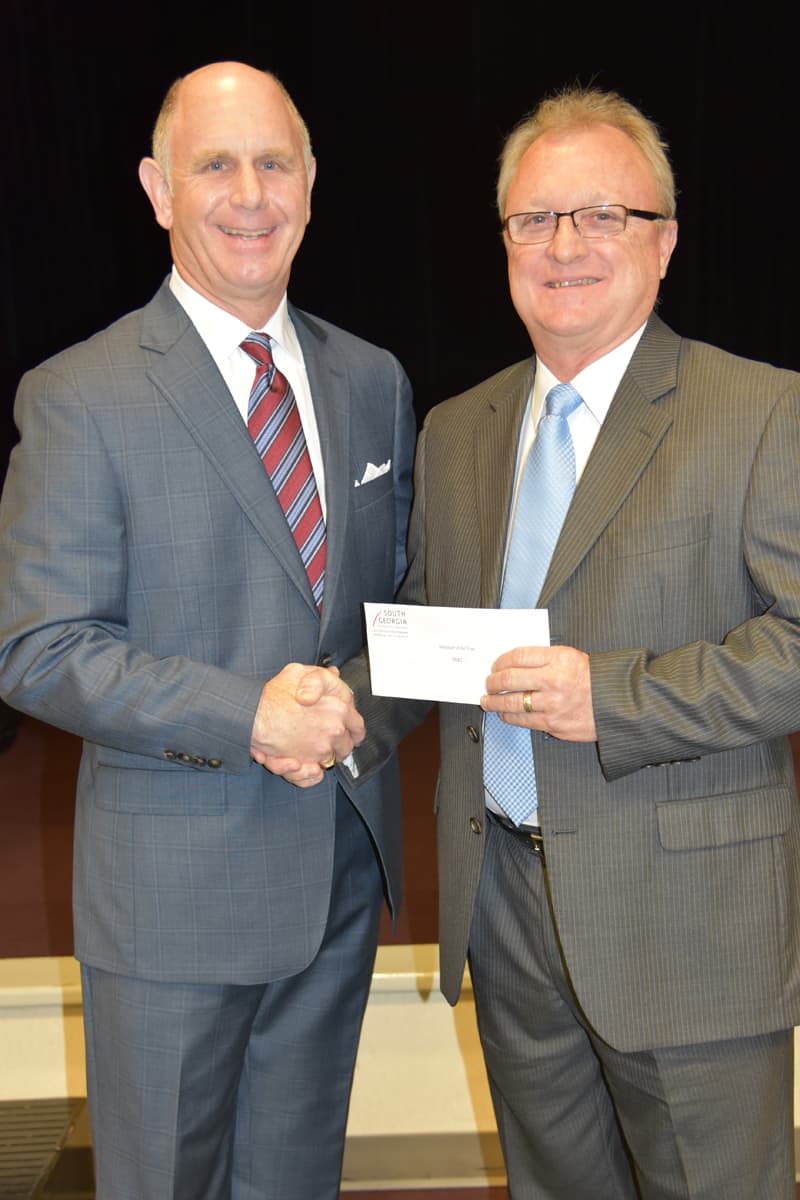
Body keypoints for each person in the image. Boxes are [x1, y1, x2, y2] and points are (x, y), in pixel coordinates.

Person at [342, 87, 800, 1198]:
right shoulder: (456, 430)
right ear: (503, 240)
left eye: (602, 216)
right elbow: (430, 635)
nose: (564, 246)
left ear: (665, 241)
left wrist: (618, 697)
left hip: (686, 924)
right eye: (534, 219)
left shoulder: (762, 412)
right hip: (504, 905)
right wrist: (329, 710)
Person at [0, 61, 416, 1200]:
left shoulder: (371, 381)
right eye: (215, 165)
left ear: (311, 182)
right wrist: (250, 717)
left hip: (334, 881)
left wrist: (351, 713)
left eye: (274, 163)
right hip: (171, 907)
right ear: (158, 189)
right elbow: (39, 646)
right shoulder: (79, 394)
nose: (249, 194)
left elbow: (400, 609)